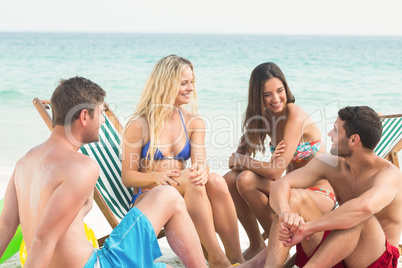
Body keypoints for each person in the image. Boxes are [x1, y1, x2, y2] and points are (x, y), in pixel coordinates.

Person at [0, 77, 207, 268]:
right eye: (100, 113)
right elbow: (44, 238)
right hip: (98, 264)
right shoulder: (81, 166)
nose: (102, 121)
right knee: (169, 195)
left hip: (90, 260)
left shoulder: (24, 163)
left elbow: (7, 225)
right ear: (83, 116)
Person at [121, 55, 245, 267]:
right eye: (184, 83)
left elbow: (200, 163)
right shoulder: (139, 124)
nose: (191, 89)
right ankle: (217, 258)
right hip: (150, 197)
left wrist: (203, 171)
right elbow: (128, 177)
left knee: (214, 180)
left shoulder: (193, 122)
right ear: (166, 84)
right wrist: (157, 177)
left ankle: (236, 258)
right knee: (190, 180)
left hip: (183, 190)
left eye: (192, 82)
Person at [242, 106, 402, 267]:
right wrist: (285, 213)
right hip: (334, 253)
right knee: (295, 197)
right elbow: (281, 184)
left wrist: (306, 228)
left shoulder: (389, 175)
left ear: (354, 140)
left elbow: (364, 207)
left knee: (359, 218)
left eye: (335, 130)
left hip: (374, 261)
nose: (329, 135)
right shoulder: (332, 163)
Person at [223, 62, 337, 260]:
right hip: (288, 191)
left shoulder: (295, 114)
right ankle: (258, 244)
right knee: (231, 179)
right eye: (267, 94)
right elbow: (235, 161)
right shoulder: (262, 118)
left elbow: (275, 172)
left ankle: (278, 249)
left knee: (246, 179)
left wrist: (248, 162)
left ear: (286, 88)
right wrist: (246, 160)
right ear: (257, 97)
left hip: (318, 194)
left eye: (279, 90)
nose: (276, 99)